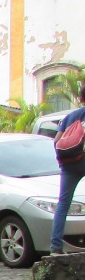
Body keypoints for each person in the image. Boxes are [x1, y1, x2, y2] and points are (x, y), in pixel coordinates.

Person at [50, 85, 85, 256]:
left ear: (81, 98)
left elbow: (56, 141)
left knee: (63, 204)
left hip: (69, 164)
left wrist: (62, 162)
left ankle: (56, 247)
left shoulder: (70, 116)